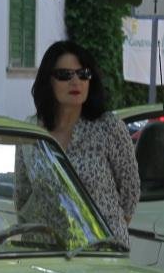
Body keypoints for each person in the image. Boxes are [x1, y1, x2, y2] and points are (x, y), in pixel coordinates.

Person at [20, 40, 139, 246]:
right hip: (44, 251)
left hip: (99, 253)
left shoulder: (109, 128)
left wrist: (105, 236)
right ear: (48, 81)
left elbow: (131, 193)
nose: (76, 81)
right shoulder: (31, 130)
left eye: (83, 74)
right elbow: (22, 195)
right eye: (64, 75)